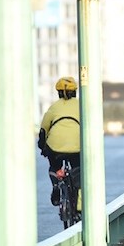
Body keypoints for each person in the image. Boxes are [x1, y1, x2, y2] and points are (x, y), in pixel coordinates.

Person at [38, 76, 81, 206]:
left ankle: (56, 184)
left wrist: (42, 147)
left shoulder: (53, 107)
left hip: (55, 146)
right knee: (78, 169)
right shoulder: (81, 106)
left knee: (54, 165)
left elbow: (43, 130)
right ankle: (79, 204)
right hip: (77, 146)